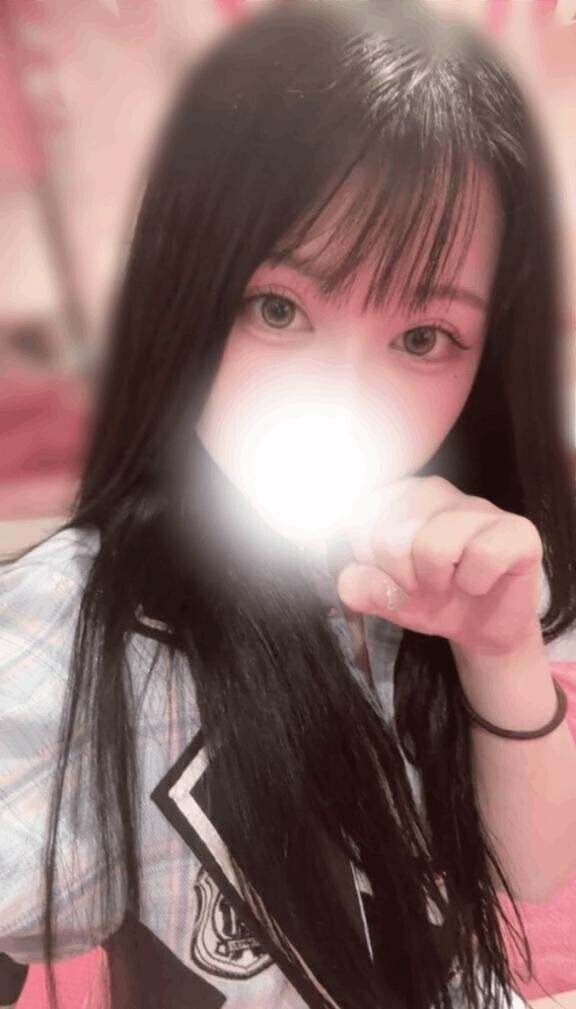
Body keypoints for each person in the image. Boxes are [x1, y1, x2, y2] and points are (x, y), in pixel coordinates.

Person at [1, 1, 575, 1007]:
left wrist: (497, 649)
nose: (342, 398)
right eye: (279, 308)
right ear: (189, 291)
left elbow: (531, 875)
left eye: (423, 337)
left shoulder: (450, 558)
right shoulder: (80, 619)